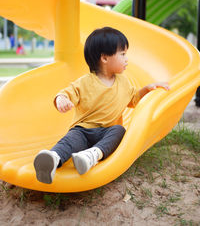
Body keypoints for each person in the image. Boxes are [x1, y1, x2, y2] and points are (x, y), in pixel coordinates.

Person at [34, 27, 170, 184]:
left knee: (119, 131)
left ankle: (92, 155)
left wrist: (147, 89)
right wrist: (61, 99)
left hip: (107, 132)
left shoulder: (124, 82)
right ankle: (51, 159)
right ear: (104, 58)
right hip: (82, 131)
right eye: (123, 54)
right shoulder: (85, 82)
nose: (127, 59)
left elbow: (133, 100)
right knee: (69, 141)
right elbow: (67, 92)